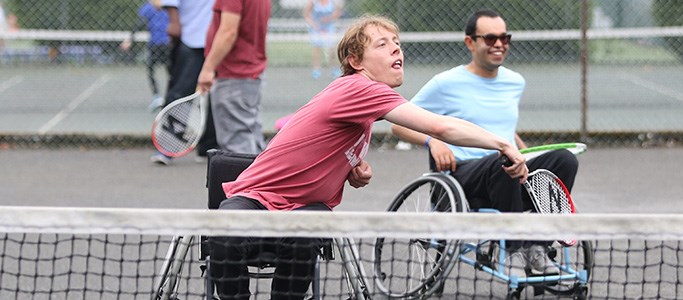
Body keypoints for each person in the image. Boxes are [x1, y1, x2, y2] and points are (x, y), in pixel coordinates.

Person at [208, 15, 530, 300]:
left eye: (397, 43)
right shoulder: (359, 89)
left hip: (304, 207)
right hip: (256, 198)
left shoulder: (363, 105)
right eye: (382, 44)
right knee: (226, 227)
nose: (396, 49)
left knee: (305, 234)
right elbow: (440, 126)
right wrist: (502, 144)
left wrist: (350, 170)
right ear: (356, 61)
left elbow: (317, 141)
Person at [390, 8, 579, 275]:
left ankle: (537, 247)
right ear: (470, 42)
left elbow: (504, 131)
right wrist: (433, 141)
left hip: (509, 172)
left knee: (564, 158)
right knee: (501, 158)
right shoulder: (445, 83)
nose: (499, 44)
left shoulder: (515, 82)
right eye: (490, 39)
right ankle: (516, 249)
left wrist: (530, 155)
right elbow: (398, 125)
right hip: (463, 176)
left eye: (505, 38)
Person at [196, 0, 271, 155]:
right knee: (252, 142)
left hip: (234, 76)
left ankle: (245, 180)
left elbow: (228, 32)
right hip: (250, 74)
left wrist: (208, 68)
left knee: (238, 149)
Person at [153, 0, 218, 165]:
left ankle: (209, 148)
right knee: (180, 93)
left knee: (219, 96)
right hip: (192, 40)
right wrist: (174, 22)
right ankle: (166, 147)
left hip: (220, 43)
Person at [119, 1, 171, 112]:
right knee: (151, 70)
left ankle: (168, 97)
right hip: (156, 45)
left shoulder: (168, 5)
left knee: (170, 71)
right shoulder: (148, 7)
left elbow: (138, 25)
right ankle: (157, 97)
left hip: (167, 44)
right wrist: (130, 40)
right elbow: (139, 24)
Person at [303, 0, 342, 79]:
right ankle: (316, 70)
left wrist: (329, 18)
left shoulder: (332, 2)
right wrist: (313, 24)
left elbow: (337, 12)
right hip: (316, 28)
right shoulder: (312, 2)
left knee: (332, 50)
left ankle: (335, 69)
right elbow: (306, 14)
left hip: (329, 28)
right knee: (316, 49)